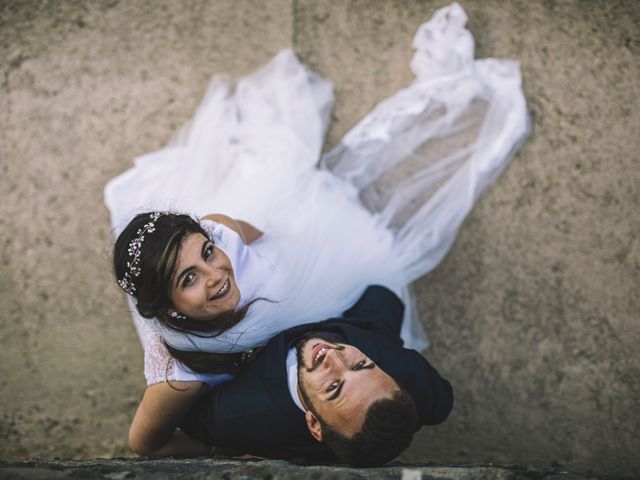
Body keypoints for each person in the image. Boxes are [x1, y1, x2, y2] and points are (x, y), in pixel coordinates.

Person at [104, 2, 530, 459]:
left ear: (314, 423)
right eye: (187, 278)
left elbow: (255, 236)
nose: (335, 355)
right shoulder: (188, 376)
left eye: (206, 254)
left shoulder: (224, 243)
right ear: (168, 310)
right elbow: (145, 444)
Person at [179, 285, 452, 466]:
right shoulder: (417, 382)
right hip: (363, 312)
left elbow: (187, 417)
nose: (332, 356)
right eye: (361, 365)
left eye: (334, 387)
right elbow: (442, 404)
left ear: (314, 425)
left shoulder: (234, 414)